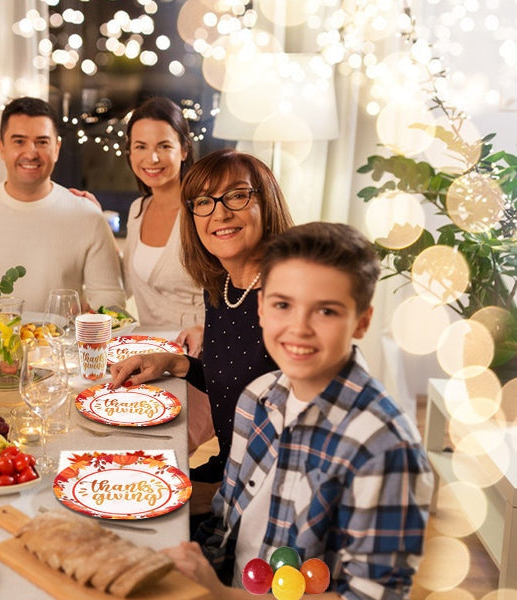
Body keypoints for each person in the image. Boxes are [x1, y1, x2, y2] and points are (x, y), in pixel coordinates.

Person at [162, 222, 433, 600]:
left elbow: (372, 595)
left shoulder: (386, 449)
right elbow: (227, 520)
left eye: (326, 311)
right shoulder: (257, 398)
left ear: (362, 321)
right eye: (283, 305)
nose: (299, 327)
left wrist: (220, 596)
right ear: (261, 307)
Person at [110, 148, 294, 487]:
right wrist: (173, 363)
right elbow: (233, 383)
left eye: (237, 196)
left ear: (267, 203)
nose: (220, 213)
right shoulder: (221, 290)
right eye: (204, 202)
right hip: (228, 468)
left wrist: (214, 496)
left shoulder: (291, 301)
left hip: (263, 489)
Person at [0, 96, 125, 312]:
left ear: (57, 148)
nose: (30, 153)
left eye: (42, 142)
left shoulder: (87, 215)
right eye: (19, 141)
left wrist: (91, 315)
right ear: (1, 147)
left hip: (62, 334)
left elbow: (109, 294)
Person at [74, 97, 205, 331]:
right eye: (141, 146)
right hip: (148, 346)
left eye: (164, 146)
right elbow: (128, 281)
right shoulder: (138, 210)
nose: (152, 158)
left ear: (184, 150)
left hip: (198, 348)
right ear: (130, 152)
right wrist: (98, 219)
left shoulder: (203, 212)